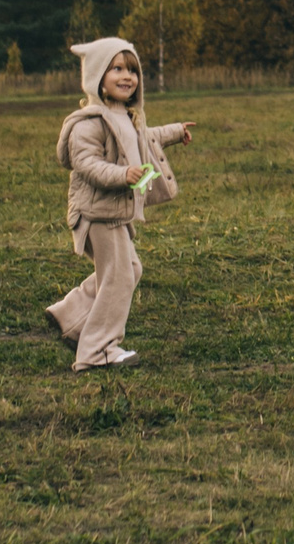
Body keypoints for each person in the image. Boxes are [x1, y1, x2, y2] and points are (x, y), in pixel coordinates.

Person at [48, 37, 193, 370]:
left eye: (132, 70)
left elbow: (146, 138)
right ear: (98, 77)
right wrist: (121, 174)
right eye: (117, 69)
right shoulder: (89, 122)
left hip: (114, 212)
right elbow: (86, 163)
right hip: (97, 213)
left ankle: (71, 316)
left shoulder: (126, 116)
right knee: (118, 277)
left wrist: (175, 131)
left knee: (129, 269)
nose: (127, 76)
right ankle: (98, 351)